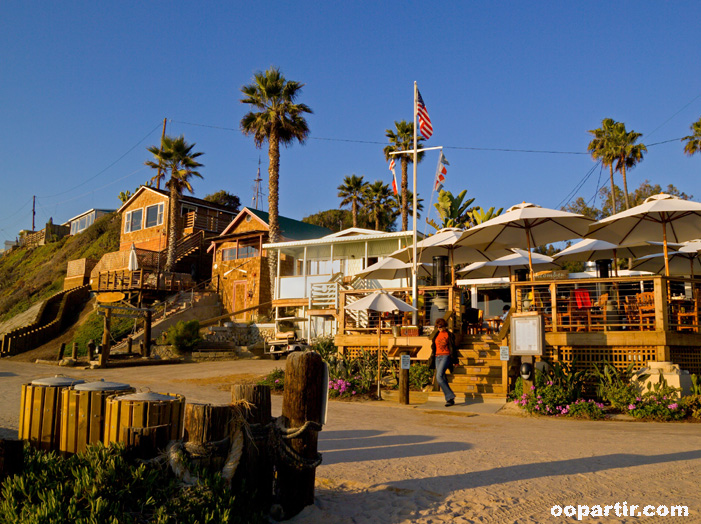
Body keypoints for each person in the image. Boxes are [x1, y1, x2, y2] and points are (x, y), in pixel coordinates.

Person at [430, 318, 459, 407]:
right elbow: (434, 346)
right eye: (437, 326)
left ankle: (450, 396)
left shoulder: (449, 335)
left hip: (445, 356)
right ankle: (450, 399)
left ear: (444, 326)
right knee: (441, 377)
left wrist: (455, 360)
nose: (438, 328)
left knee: (439, 376)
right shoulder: (436, 334)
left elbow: (453, 348)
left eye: (440, 326)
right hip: (437, 357)